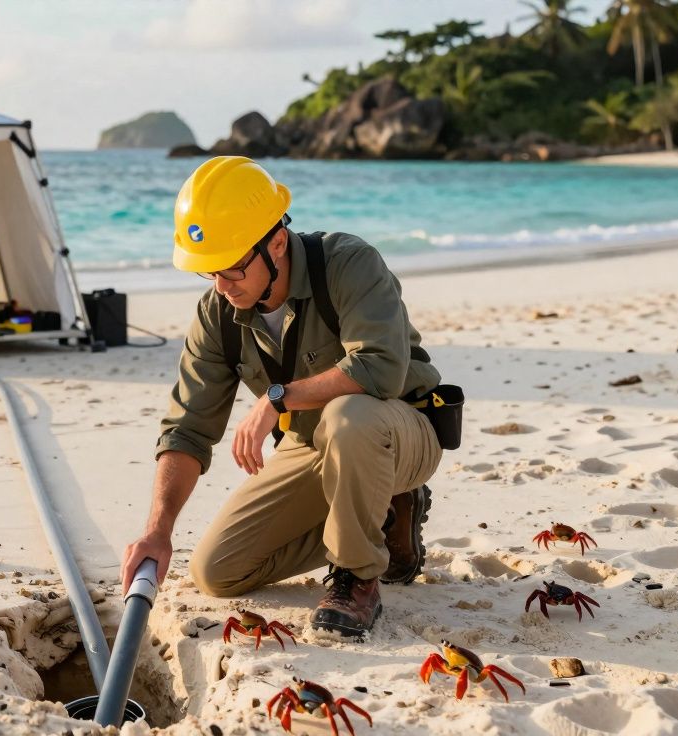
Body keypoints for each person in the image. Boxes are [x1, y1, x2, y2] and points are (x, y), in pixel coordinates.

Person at [120, 156, 443, 637]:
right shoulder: (217, 311)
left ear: (275, 242)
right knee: (218, 571)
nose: (221, 286)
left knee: (348, 415)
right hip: (310, 447)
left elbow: (380, 368)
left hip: (395, 434)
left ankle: (356, 577)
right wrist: (158, 530)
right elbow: (187, 429)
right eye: (207, 272)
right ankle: (388, 513)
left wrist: (277, 398)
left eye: (230, 269)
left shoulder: (349, 264)